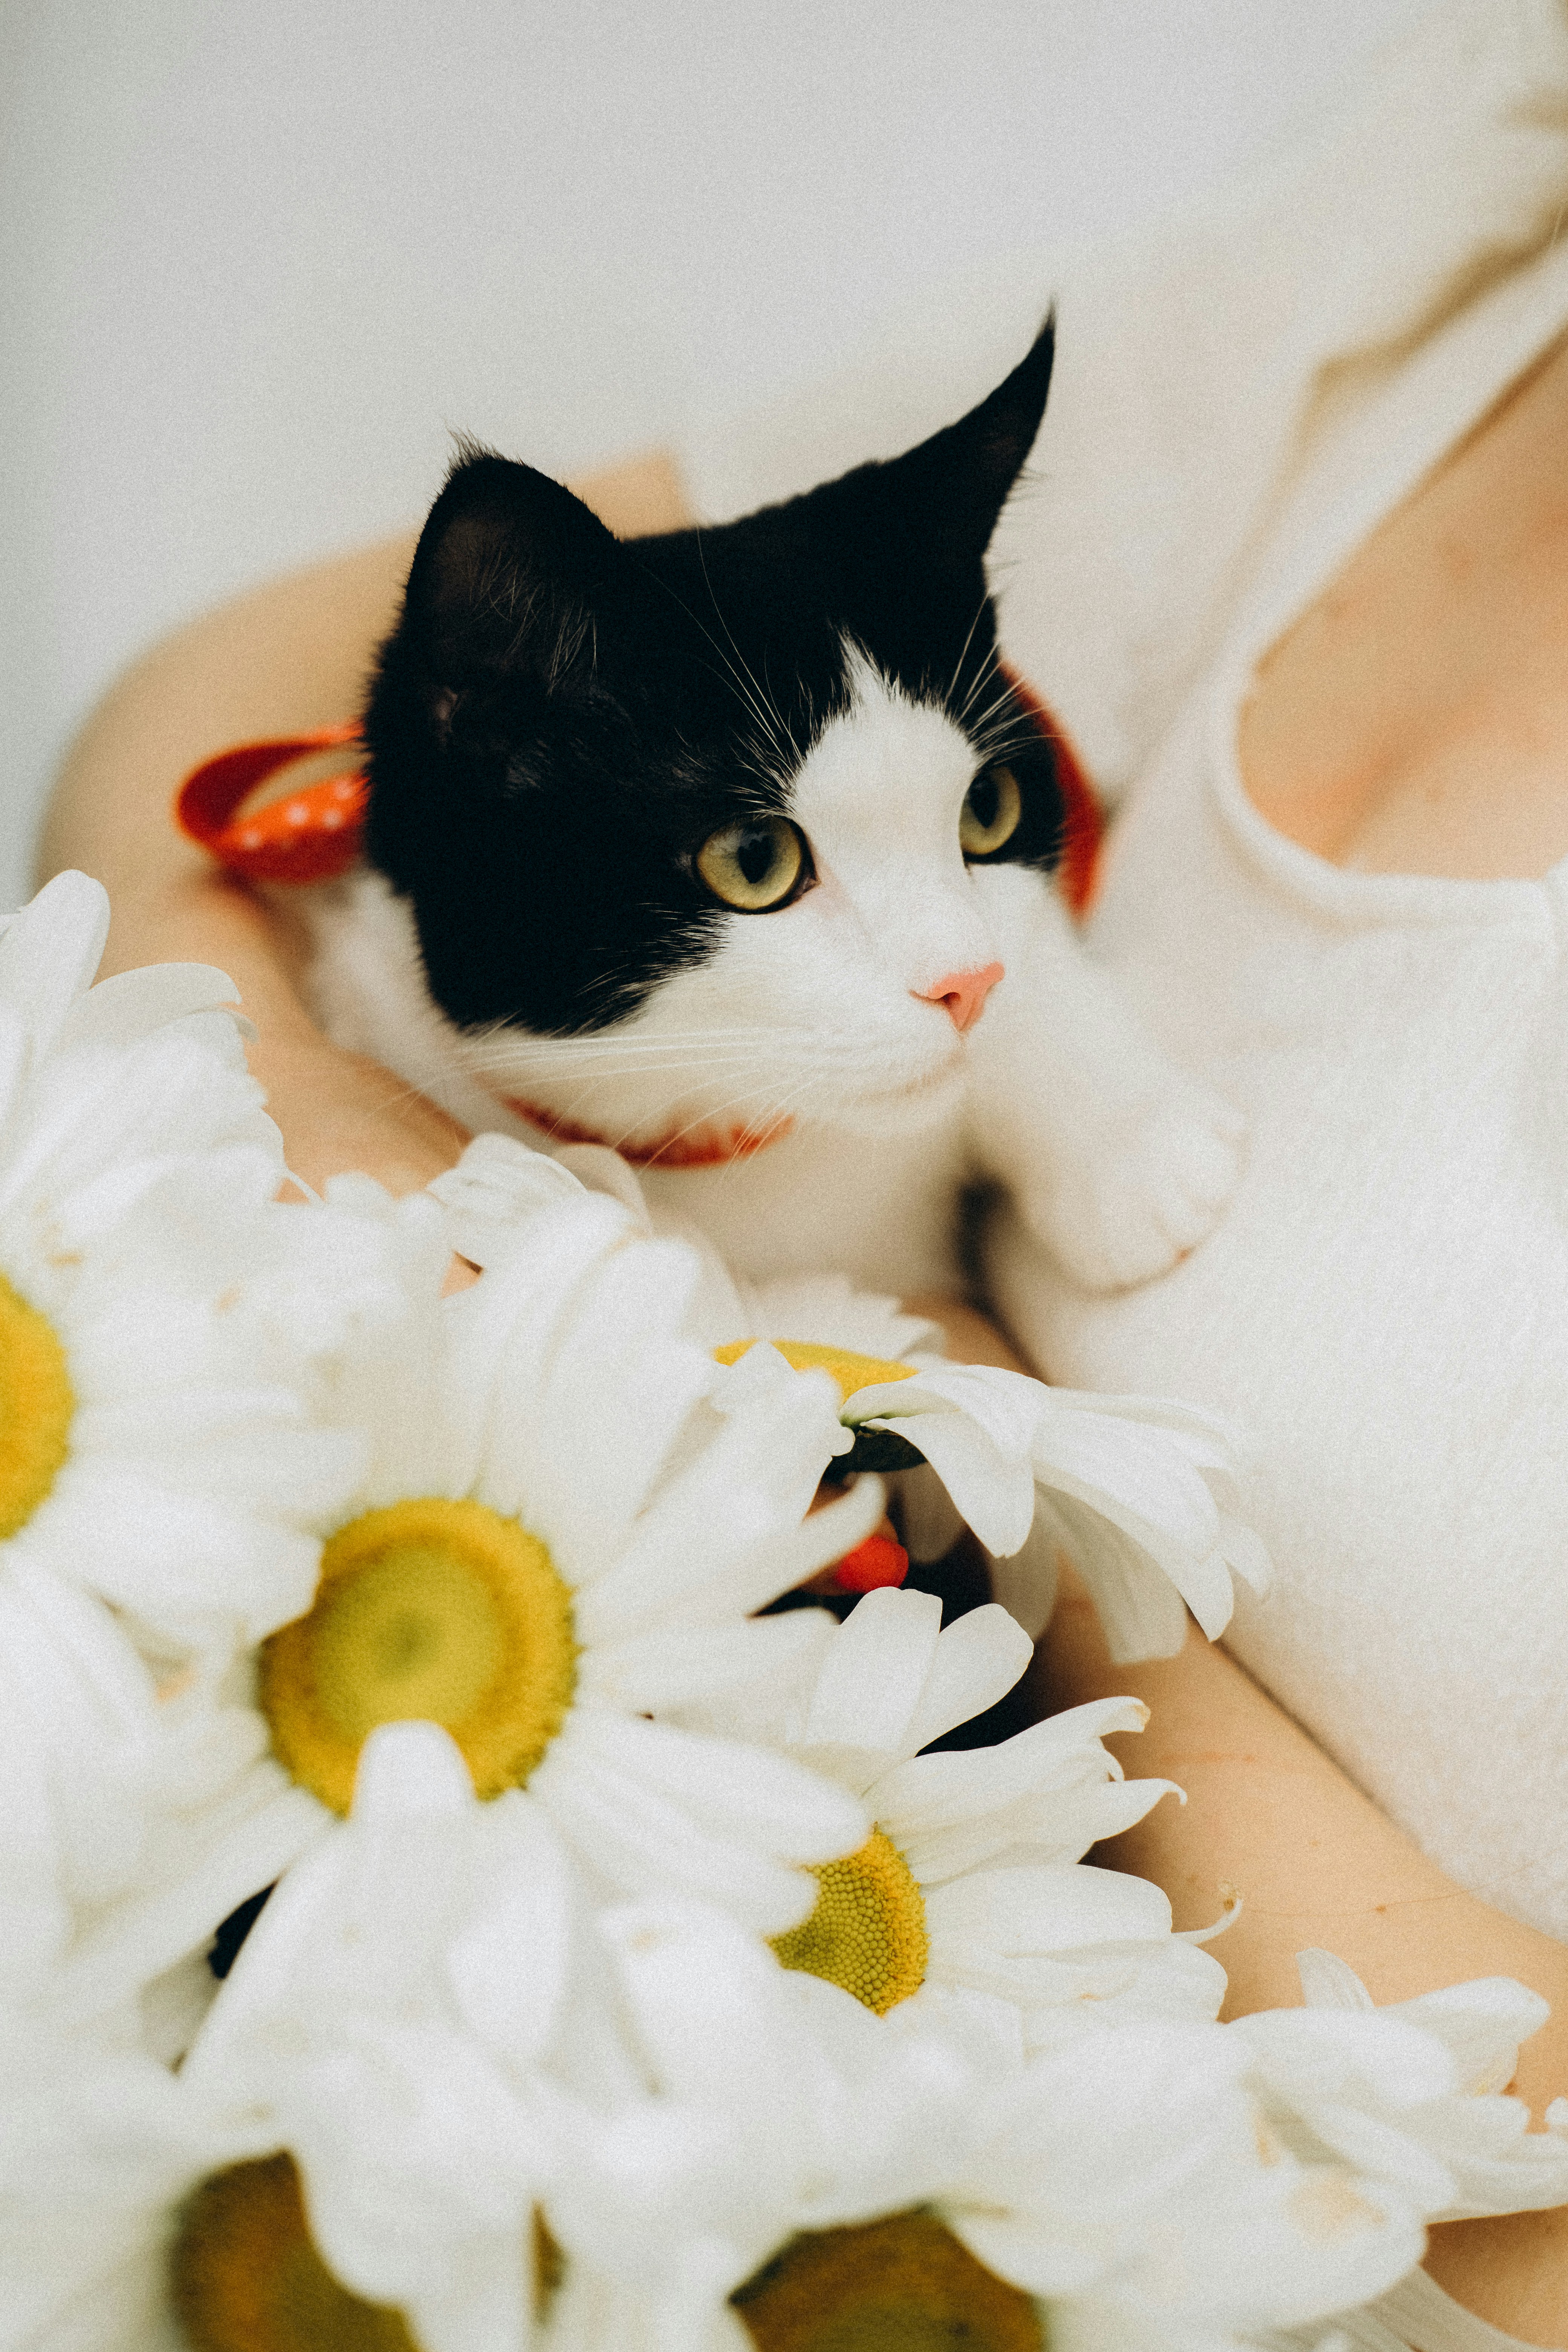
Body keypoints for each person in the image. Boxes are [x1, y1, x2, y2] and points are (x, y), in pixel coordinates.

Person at [37, 0, 1568, 2337]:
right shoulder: (1452, 218)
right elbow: (206, 718)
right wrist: (361, 1175)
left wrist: (987, 1477)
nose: (962, 961)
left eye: (987, 822)